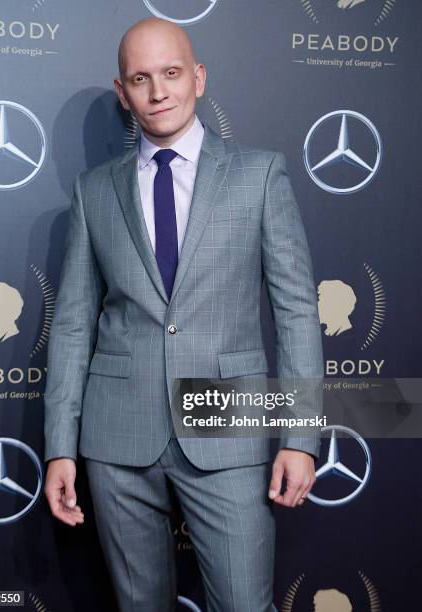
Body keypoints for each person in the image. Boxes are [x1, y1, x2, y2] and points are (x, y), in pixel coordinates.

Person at [43, 17, 324, 612]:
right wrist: (60, 447)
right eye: (140, 78)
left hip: (228, 430)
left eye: (171, 73)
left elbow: (298, 309)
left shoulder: (259, 174)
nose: (158, 91)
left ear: (198, 77)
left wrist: (301, 435)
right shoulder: (94, 191)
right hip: (116, 438)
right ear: (123, 92)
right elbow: (71, 325)